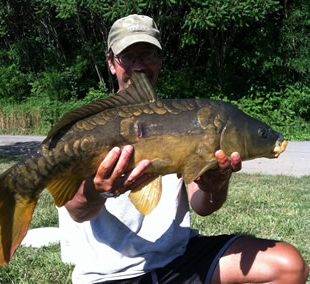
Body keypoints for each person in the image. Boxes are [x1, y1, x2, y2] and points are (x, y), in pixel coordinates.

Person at [60, 14, 309, 283]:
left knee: (288, 265)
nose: (139, 66)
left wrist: (215, 184)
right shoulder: (88, 129)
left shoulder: (191, 120)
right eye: (128, 57)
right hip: (109, 274)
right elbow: (77, 210)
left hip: (177, 258)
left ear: (160, 60)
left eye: (148, 54)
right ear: (111, 63)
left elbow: (202, 206)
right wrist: (99, 191)